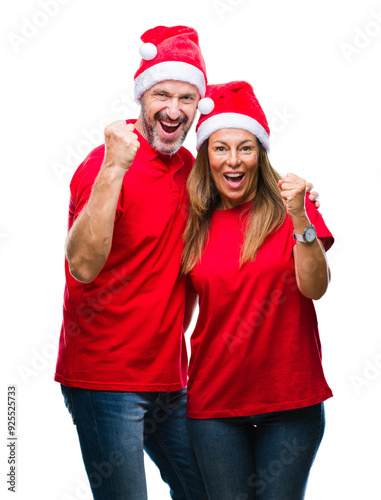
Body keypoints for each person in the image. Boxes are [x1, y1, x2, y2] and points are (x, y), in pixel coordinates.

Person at [54, 25, 210, 500]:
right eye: (162, 93)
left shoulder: (190, 171)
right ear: (142, 96)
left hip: (170, 378)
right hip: (105, 379)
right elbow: (81, 263)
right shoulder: (103, 163)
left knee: (208, 490)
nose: (174, 109)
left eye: (187, 97)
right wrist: (115, 167)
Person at [182, 81, 334, 500]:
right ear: (206, 155)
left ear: (260, 153)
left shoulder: (294, 210)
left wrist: (300, 217)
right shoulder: (191, 223)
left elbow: (315, 287)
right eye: (220, 148)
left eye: (245, 147)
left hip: (291, 401)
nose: (234, 160)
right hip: (214, 407)